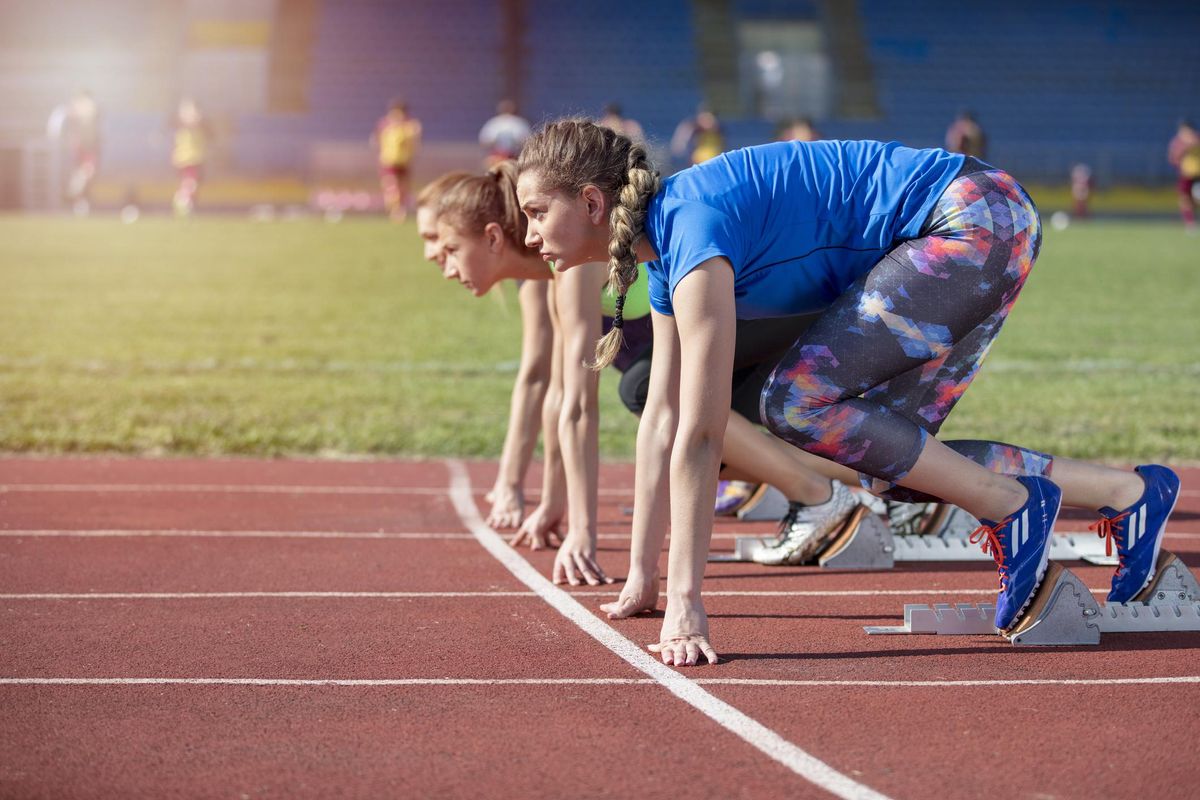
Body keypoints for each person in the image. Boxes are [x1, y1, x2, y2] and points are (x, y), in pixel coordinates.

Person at [516, 119, 1181, 665]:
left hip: (972, 218)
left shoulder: (693, 231)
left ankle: (1013, 505)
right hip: (982, 218)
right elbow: (660, 417)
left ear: (593, 204)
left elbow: (700, 429)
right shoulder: (666, 255)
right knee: (885, 457)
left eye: (537, 213)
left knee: (794, 402)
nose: (529, 235)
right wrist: (645, 577)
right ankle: (1129, 495)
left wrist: (688, 601)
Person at [422, 164, 878, 584]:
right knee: (680, 436)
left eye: (449, 250)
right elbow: (561, 396)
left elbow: (580, 405)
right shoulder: (547, 279)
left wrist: (583, 531)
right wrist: (552, 501)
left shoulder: (573, 267)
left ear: (494, 238)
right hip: (726, 322)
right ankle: (878, 480)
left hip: (762, 309)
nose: (442, 267)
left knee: (650, 397)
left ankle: (819, 497)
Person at [371, 99, 422, 221]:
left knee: (403, 188)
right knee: (392, 186)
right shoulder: (385, 125)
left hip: (404, 161)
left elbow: (415, 142)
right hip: (389, 161)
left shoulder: (410, 126)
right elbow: (375, 139)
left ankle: (400, 209)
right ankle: (395, 210)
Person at [56, 90, 101, 216]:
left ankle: (76, 196)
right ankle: (75, 196)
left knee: (86, 172)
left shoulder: (87, 107)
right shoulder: (81, 107)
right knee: (84, 171)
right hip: (83, 144)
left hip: (87, 144)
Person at [170, 97, 212, 217]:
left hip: (197, 159)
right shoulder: (179, 125)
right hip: (185, 159)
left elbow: (211, 134)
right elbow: (177, 122)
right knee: (190, 182)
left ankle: (186, 204)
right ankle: (181, 200)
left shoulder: (202, 126)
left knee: (194, 185)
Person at [478, 100, 532, 169]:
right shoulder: (494, 122)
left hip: (514, 156)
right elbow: (485, 141)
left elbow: (527, 141)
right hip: (497, 156)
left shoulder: (519, 123)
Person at [1167, 119, 1200, 231]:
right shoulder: (1177, 143)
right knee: (1184, 200)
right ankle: (1190, 224)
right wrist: (1183, 149)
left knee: (1196, 199)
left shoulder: (1197, 140)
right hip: (1185, 175)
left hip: (1198, 175)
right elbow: (1172, 159)